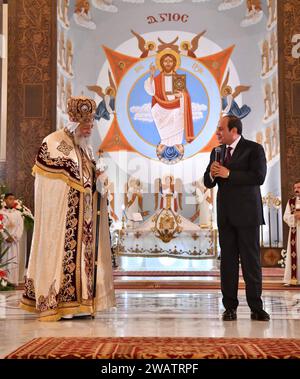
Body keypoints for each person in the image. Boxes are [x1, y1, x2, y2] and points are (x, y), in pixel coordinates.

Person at [20, 96, 115, 321]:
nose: (89, 128)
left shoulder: (84, 149)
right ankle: (61, 302)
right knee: (64, 256)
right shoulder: (55, 142)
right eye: (86, 124)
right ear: (74, 122)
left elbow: (88, 180)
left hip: (85, 221)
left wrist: (100, 179)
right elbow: (54, 181)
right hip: (63, 220)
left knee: (82, 260)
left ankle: (81, 304)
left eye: (91, 124)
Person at [204, 115, 270, 321]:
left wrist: (228, 173)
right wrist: (212, 175)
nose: (217, 133)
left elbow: (258, 177)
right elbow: (207, 182)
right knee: (228, 264)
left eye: (221, 129)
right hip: (226, 217)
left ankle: (256, 307)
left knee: (251, 262)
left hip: (248, 216)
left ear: (234, 131)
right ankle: (229, 307)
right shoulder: (216, 152)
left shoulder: (254, 149)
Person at [144, 49, 195, 147]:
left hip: (176, 108)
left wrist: (182, 96)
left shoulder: (178, 79)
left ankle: (176, 146)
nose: (168, 63)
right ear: (162, 63)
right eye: (165, 61)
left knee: (177, 114)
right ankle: (165, 144)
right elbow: (151, 91)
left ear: (174, 63)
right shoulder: (157, 79)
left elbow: (185, 96)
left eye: (170, 61)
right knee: (155, 110)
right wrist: (151, 74)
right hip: (162, 109)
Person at [0, 193, 24, 286]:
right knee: (4, 259)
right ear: (5, 200)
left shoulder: (18, 213)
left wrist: (14, 237)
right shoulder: (1, 213)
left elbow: (20, 227)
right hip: (4, 242)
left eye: (13, 199)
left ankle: (13, 281)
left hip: (14, 242)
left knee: (14, 260)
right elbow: (0, 225)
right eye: (10, 199)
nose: (12, 201)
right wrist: (5, 237)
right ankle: (3, 281)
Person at [283, 181, 300, 286]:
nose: (296, 189)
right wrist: (294, 217)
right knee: (295, 254)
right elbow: (285, 217)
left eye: (299, 187)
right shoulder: (291, 202)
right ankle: (293, 279)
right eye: (295, 187)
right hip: (295, 232)